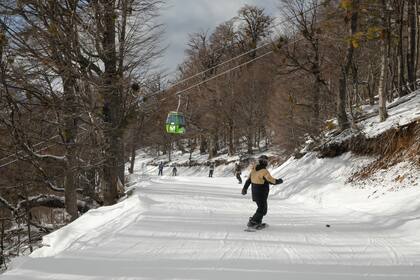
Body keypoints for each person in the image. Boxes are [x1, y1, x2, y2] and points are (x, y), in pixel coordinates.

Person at [241, 155, 283, 228]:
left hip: (255, 191)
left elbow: (248, 180)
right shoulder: (264, 171)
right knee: (262, 208)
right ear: (265, 162)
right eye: (266, 161)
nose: (267, 163)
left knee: (263, 209)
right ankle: (253, 221)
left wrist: (245, 188)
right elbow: (271, 181)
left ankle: (257, 221)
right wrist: (279, 181)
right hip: (261, 192)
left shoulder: (254, 170)